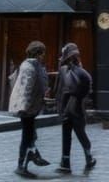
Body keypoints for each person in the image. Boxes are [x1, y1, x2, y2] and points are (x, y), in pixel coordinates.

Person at [8, 41, 51, 177]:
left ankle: (32, 156)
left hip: (31, 107)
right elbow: (26, 89)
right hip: (27, 108)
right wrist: (24, 107)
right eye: (42, 53)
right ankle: (22, 165)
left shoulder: (33, 65)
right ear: (38, 53)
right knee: (27, 137)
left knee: (30, 135)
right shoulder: (29, 67)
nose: (44, 55)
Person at [53, 43, 96, 173]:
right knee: (79, 133)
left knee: (70, 134)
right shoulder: (81, 72)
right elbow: (87, 89)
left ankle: (67, 163)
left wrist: (60, 103)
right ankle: (85, 157)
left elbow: (58, 89)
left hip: (70, 107)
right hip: (75, 107)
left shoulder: (66, 70)